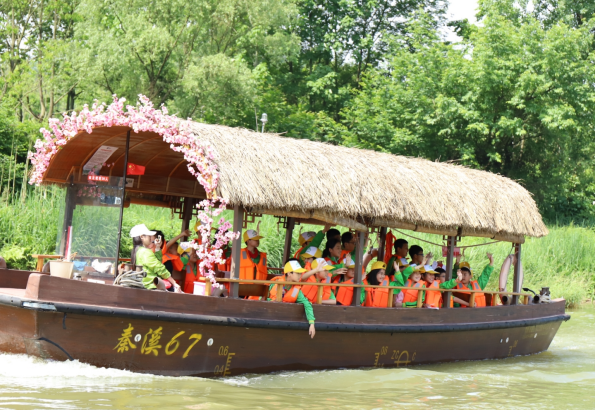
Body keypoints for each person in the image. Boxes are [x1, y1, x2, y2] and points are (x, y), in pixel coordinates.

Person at [269, 260, 316, 338]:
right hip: (272, 320)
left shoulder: (296, 290)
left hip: (284, 323)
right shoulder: (276, 283)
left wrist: (311, 323)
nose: (300, 275)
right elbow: (269, 300)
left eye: (300, 273)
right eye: (297, 273)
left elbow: (307, 304)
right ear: (289, 274)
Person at [130, 224, 182, 292]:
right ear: (142, 237)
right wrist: (174, 283)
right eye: (149, 236)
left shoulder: (138, 250)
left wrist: (157, 248)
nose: (150, 238)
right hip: (150, 286)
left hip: (145, 285)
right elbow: (159, 268)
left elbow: (157, 263)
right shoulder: (145, 252)